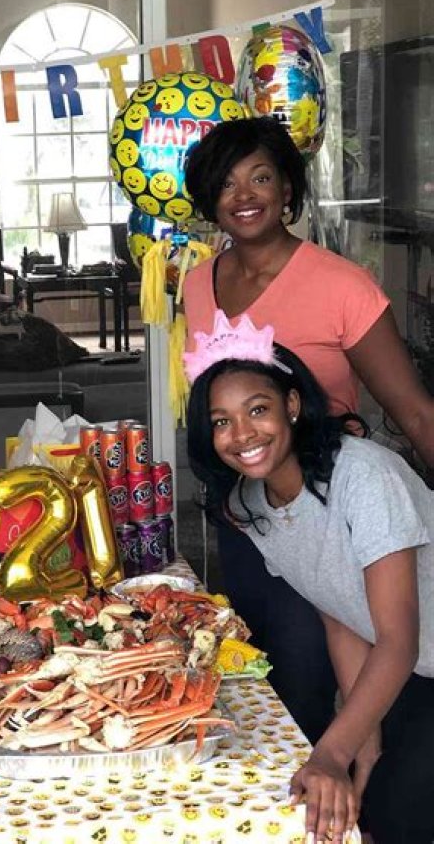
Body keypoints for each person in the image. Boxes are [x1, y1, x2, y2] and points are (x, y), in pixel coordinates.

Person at [182, 116, 434, 744]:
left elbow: (414, 411)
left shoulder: (342, 285)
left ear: (288, 188)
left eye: (261, 178)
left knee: (313, 670)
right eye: (227, 183)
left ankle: (340, 780)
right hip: (245, 509)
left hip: (331, 512)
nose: (244, 196)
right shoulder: (197, 283)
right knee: (257, 663)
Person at [185, 313, 434, 844]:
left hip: (412, 655)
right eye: (221, 421)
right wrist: (361, 739)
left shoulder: (364, 477)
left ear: (292, 405)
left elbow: (398, 640)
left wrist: (333, 752)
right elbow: (337, 611)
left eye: (258, 409)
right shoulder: (249, 503)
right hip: (413, 667)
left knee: (399, 813)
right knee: (362, 805)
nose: (242, 434)